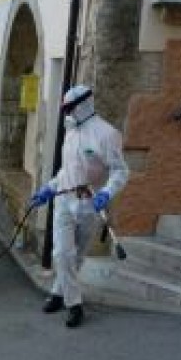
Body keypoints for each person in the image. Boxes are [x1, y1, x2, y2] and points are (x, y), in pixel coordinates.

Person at [30, 84, 129, 328]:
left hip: (88, 203)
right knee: (61, 253)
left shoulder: (107, 134)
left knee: (77, 255)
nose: (68, 113)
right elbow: (67, 171)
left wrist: (106, 193)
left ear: (83, 105)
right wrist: (50, 188)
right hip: (64, 200)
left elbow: (121, 170)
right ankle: (75, 305)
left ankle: (57, 292)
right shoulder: (71, 132)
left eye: (71, 108)